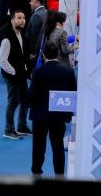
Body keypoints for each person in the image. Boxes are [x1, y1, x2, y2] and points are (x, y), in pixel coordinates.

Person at [28, 42, 77, 176]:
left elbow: (31, 95)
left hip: (40, 116)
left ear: (43, 55)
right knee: (58, 147)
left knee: (38, 147)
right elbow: (74, 92)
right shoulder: (68, 70)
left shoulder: (37, 72)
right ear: (57, 54)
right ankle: (59, 175)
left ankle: (36, 172)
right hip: (58, 116)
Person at [0, 10, 31, 140]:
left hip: (21, 75)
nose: (22, 20)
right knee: (13, 102)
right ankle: (9, 129)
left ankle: (22, 126)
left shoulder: (21, 34)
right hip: (12, 77)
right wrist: (14, 71)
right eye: (19, 18)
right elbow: (2, 60)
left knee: (25, 100)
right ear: (12, 20)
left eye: (23, 17)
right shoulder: (7, 38)